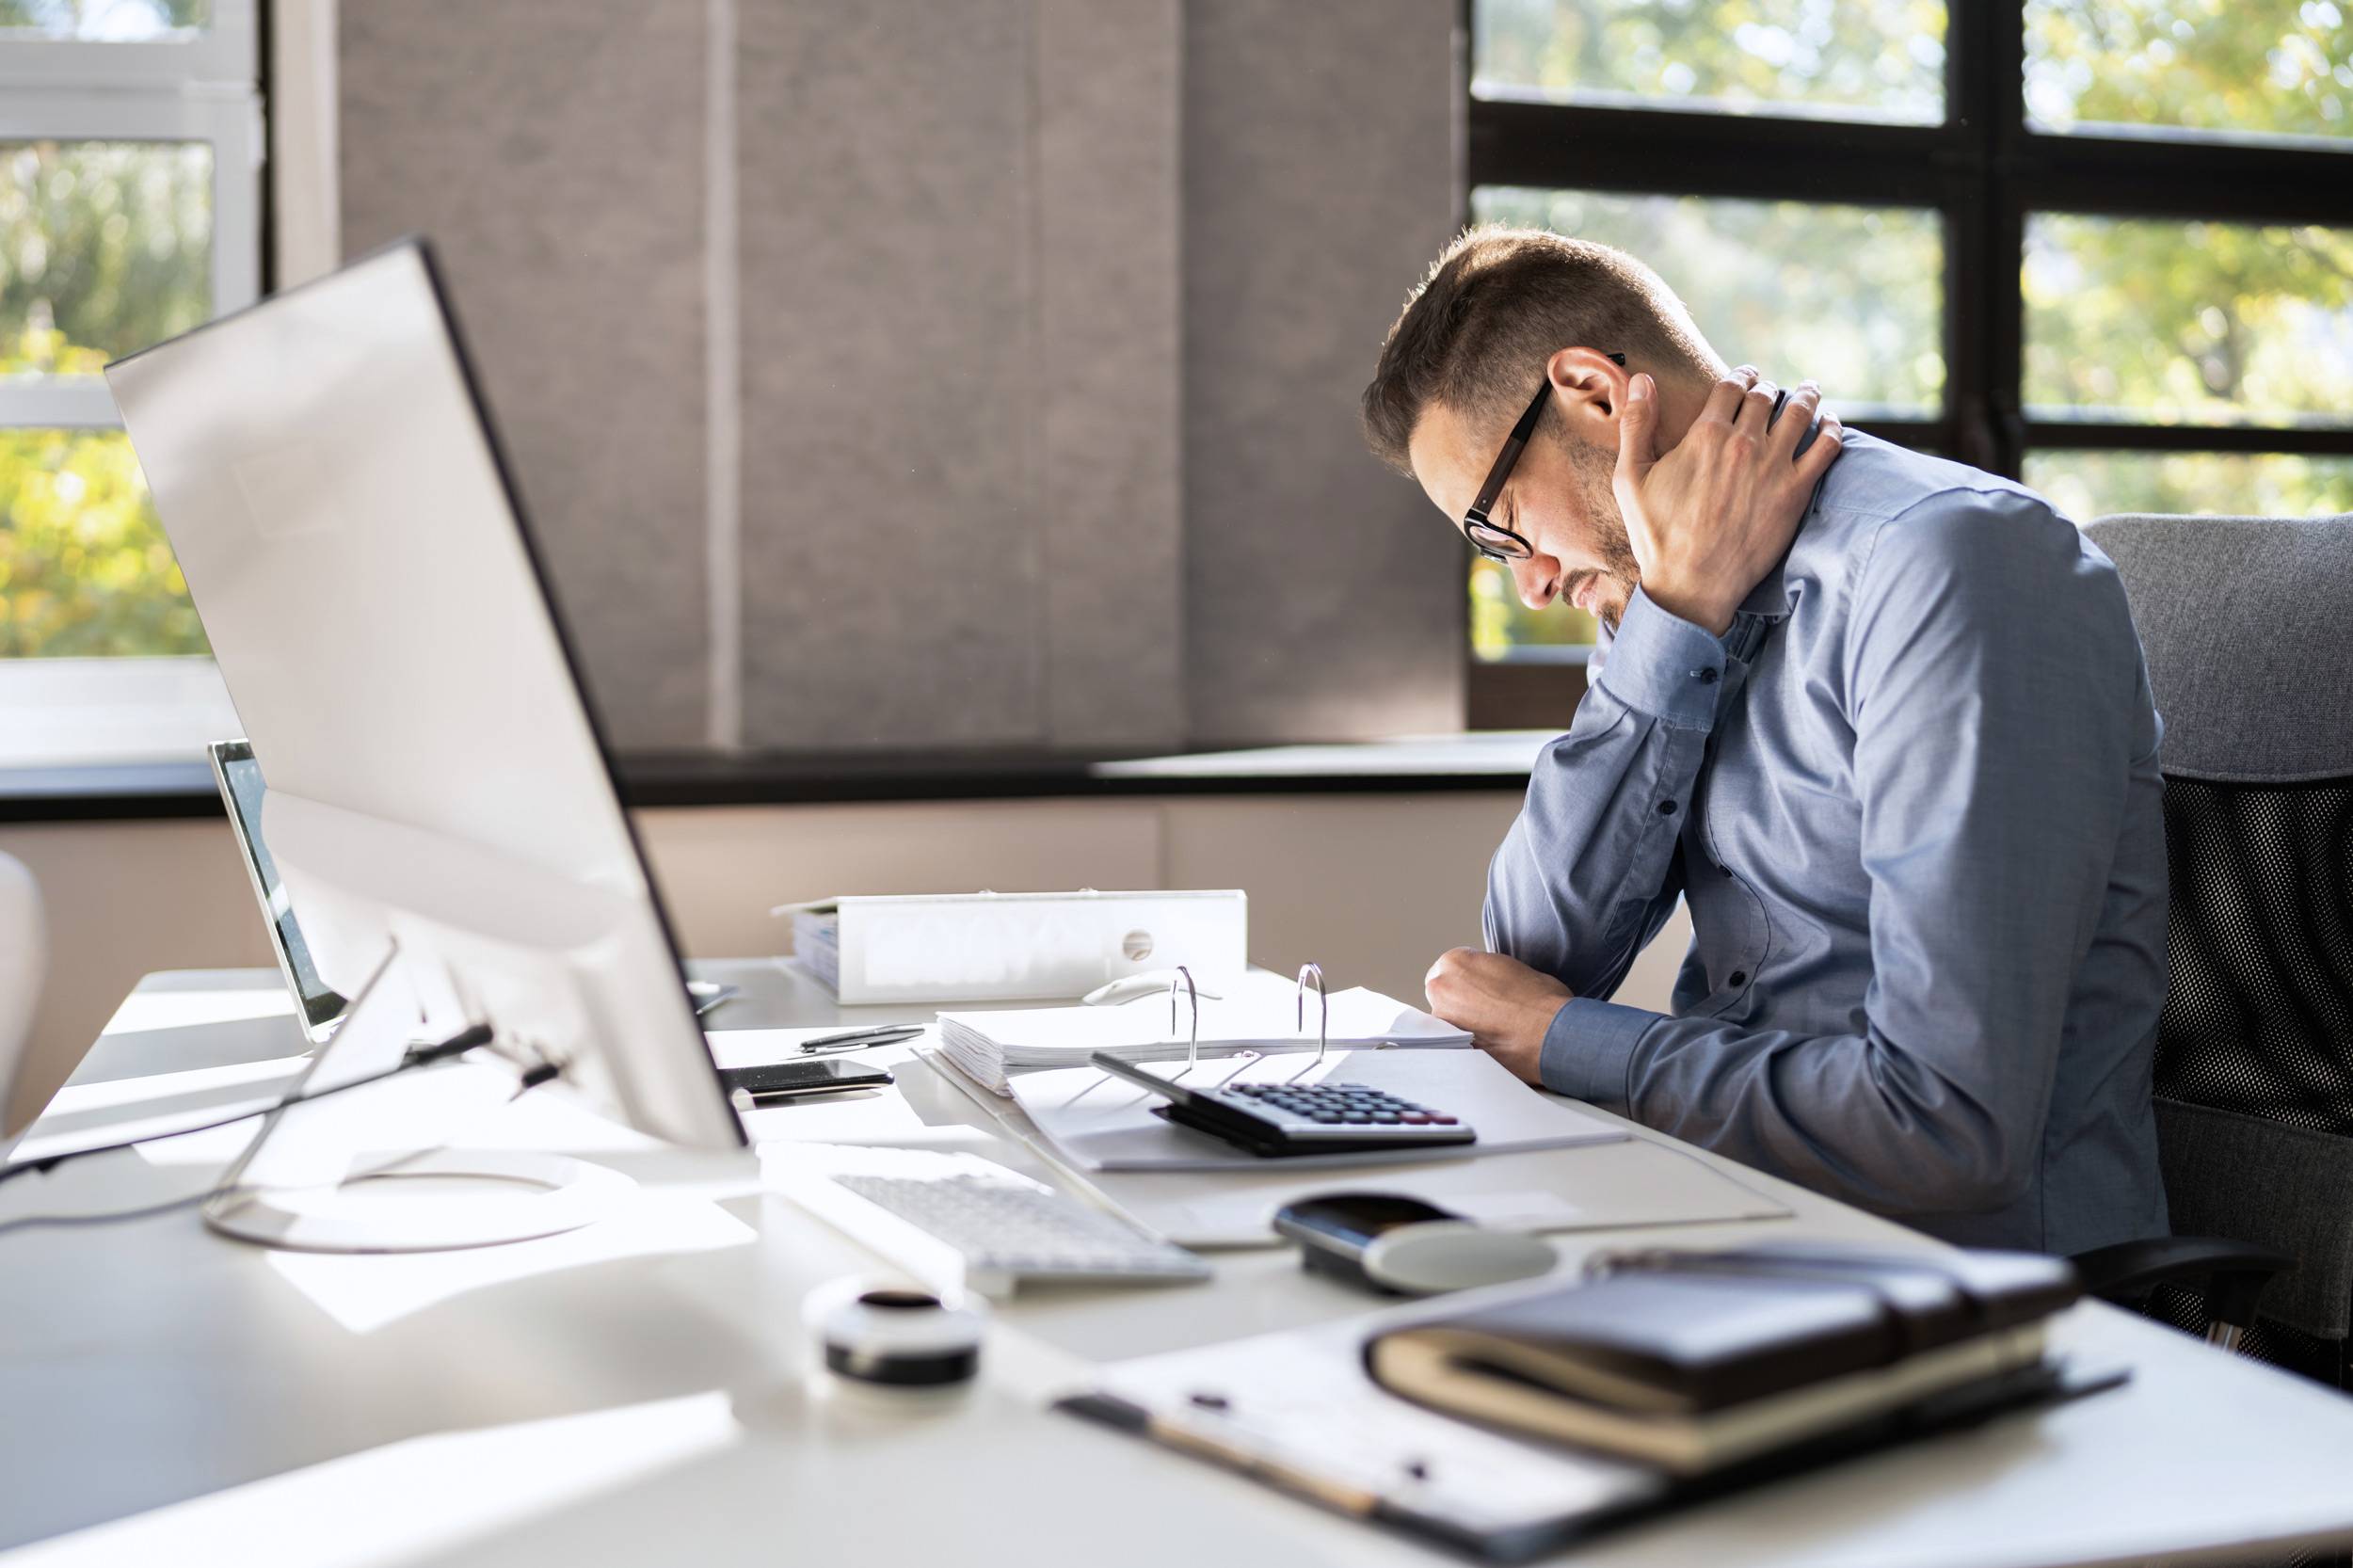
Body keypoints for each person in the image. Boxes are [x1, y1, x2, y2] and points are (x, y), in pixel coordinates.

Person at [1365, 226, 2167, 1255]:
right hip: (1731, 1207)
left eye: (1501, 523)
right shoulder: (1663, 597)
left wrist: (1568, 1042)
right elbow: (1527, 957)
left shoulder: (1951, 567)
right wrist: (1673, 616)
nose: (1527, 580)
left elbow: (1947, 1125)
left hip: (1949, 1275)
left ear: (1595, 394)